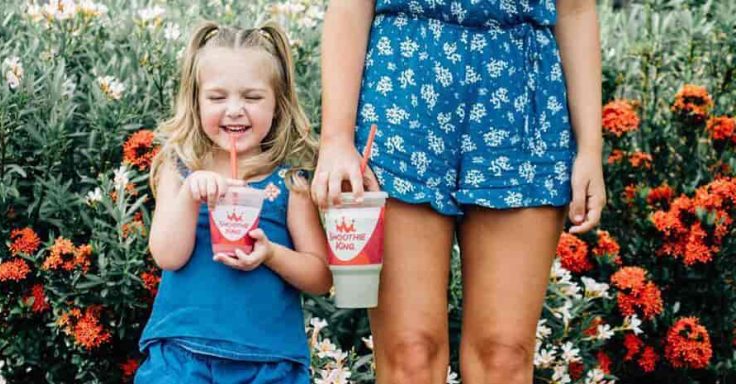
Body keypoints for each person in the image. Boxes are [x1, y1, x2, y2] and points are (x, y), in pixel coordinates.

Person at [313, 1, 605, 383]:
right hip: (403, 88)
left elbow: (576, 11)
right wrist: (335, 139)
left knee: (504, 355)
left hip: (522, 101)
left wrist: (590, 150)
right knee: (410, 353)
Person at [136, 21, 332, 384]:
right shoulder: (179, 169)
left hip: (268, 362)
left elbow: (320, 276)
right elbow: (167, 255)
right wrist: (191, 194)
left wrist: (271, 254)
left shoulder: (289, 181)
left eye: (253, 97)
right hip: (182, 354)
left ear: (278, 103)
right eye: (217, 97)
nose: (235, 110)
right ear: (196, 101)